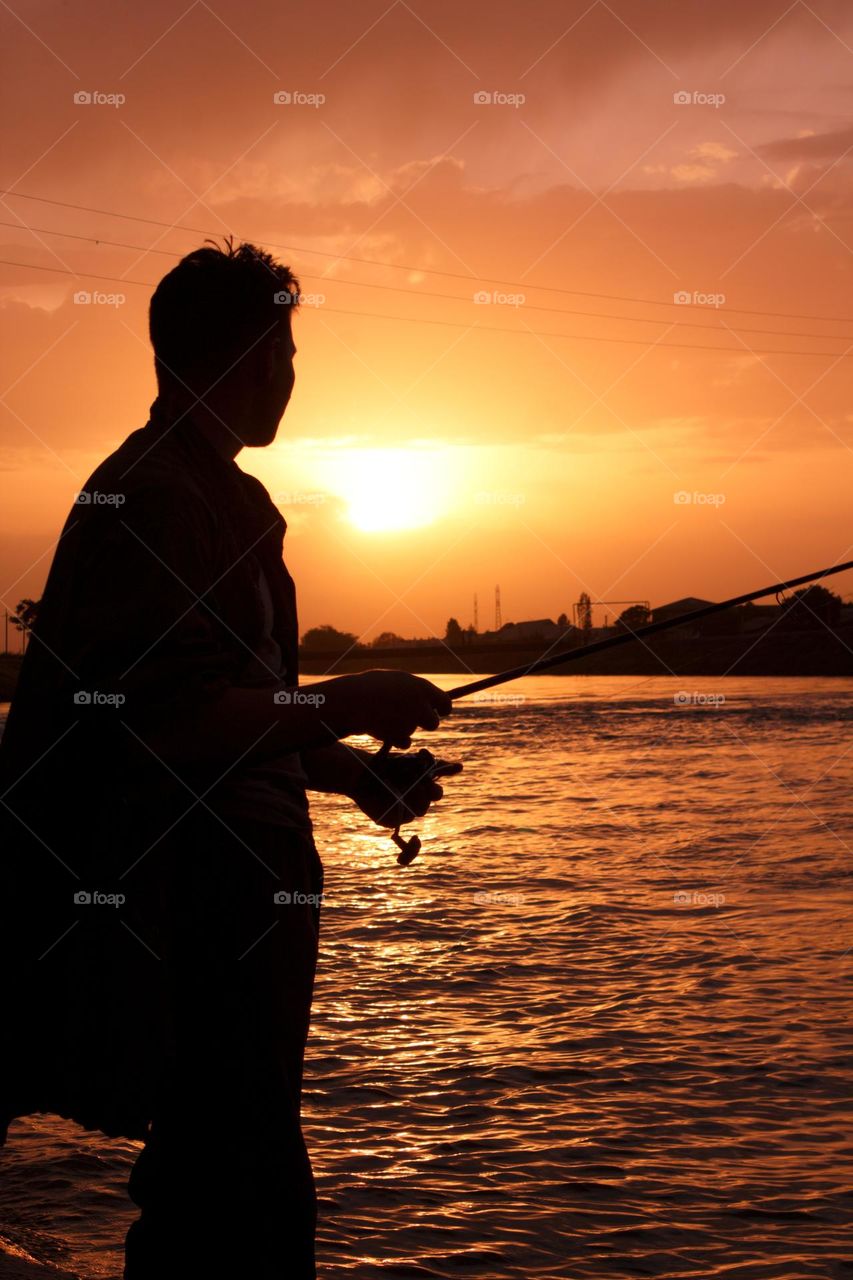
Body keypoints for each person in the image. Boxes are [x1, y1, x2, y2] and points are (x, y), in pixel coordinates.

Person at [0, 239, 455, 1278]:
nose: (291, 376)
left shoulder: (223, 496)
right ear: (244, 358)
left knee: (234, 1168)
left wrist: (347, 771)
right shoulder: (157, 499)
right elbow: (163, 723)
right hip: (190, 906)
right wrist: (346, 702)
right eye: (283, 352)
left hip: (240, 902)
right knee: (231, 1190)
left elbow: (232, 717)